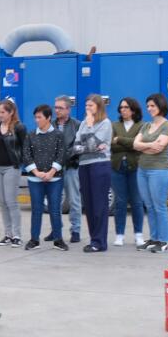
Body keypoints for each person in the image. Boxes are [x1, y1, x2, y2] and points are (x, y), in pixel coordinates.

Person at [22, 104, 68, 251]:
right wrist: (36, 172)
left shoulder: (58, 135)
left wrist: (51, 172)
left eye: (39, 117)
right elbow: (26, 155)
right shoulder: (30, 135)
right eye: (35, 117)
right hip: (35, 180)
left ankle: (58, 239)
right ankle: (34, 239)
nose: (36, 120)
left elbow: (61, 155)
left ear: (48, 118)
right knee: (36, 209)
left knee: (55, 209)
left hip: (54, 180)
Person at [134, 92, 168, 253]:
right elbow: (135, 145)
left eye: (152, 106)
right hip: (142, 170)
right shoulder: (146, 126)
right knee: (149, 206)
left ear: (161, 106)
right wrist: (148, 146)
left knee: (159, 206)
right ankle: (154, 238)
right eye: (148, 106)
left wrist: (143, 145)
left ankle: (163, 240)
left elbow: (160, 147)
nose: (149, 108)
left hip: (159, 171)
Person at [76, 94, 113, 252]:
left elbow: (91, 144)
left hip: (100, 165)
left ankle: (100, 242)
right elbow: (76, 147)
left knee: (99, 205)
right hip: (84, 165)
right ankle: (94, 239)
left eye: (91, 106)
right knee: (89, 205)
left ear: (98, 107)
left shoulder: (105, 123)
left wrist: (91, 128)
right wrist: (89, 146)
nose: (88, 109)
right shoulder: (83, 123)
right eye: (86, 106)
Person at [109, 96, 145, 248]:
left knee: (137, 201)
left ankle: (138, 235)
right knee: (120, 202)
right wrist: (129, 142)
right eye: (121, 107)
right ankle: (119, 235)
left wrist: (120, 140)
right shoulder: (114, 125)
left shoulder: (142, 126)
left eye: (126, 107)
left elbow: (138, 145)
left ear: (134, 109)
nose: (123, 110)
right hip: (117, 167)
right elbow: (111, 145)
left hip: (135, 167)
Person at [0, 98, 26, 247]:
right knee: (2, 202)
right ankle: (8, 234)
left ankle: (17, 235)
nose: (0, 115)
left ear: (11, 113)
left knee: (11, 201)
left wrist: (20, 163)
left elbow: (25, 147)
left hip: (11, 167)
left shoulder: (19, 127)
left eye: (3, 112)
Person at [49, 96, 82, 245]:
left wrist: (65, 157)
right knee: (54, 200)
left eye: (60, 108)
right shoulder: (50, 124)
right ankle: (55, 229)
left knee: (74, 199)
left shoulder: (77, 125)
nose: (57, 110)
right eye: (55, 107)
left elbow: (79, 146)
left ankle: (75, 230)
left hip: (70, 167)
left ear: (68, 109)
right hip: (53, 169)